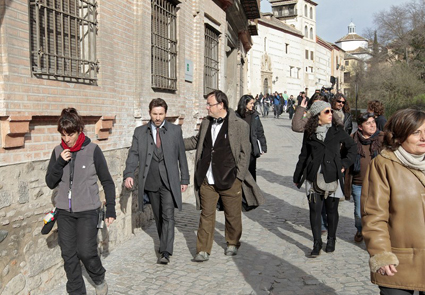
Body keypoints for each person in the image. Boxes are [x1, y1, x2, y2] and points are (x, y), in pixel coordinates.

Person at [184, 90, 264, 262]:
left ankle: (233, 242)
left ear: (221, 105)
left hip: (230, 178)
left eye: (209, 104)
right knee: (206, 214)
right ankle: (203, 250)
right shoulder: (206, 123)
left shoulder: (240, 125)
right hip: (207, 177)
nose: (207, 108)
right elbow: (197, 142)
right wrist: (175, 142)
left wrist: (239, 176)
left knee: (232, 213)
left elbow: (245, 151)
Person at [45, 108, 115, 295]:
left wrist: (111, 210)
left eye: (71, 134)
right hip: (64, 212)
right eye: (63, 134)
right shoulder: (58, 151)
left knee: (85, 251)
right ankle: (76, 292)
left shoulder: (93, 150)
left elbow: (107, 181)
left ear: (79, 131)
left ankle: (99, 278)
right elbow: (50, 182)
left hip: (87, 210)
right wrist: (59, 163)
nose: (67, 139)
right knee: (68, 256)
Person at [361, 108, 425, 295]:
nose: (423, 138)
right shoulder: (383, 165)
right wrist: (381, 254)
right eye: (416, 132)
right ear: (399, 135)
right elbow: (373, 215)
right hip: (399, 261)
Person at [123, 98, 189, 265]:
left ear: (165, 114)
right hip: (151, 180)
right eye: (154, 114)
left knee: (168, 215)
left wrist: (184, 178)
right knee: (159, 216)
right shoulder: (140, 132)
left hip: (169, 180)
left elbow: (182, 155)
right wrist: (129, 174)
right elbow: (133, 155)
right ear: (149, 113)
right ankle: (164, 242)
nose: (158, 117)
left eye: (161, 114)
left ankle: (165, 251)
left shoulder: (175, 131)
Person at [293, 101, 356, 257]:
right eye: (327, 111)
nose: (331, 114)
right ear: (317, 115)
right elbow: (304, 154)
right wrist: (297, 175)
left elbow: (352, 148)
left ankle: (331, 239)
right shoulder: (310, 132)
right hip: (312, 176)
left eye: (331, 111)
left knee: (332, 211)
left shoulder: (337, 131)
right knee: (314, 211)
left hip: (332, 176)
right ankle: (316, 244)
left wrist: (344, 164)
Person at [344, 112, 383, 243]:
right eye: (368, 123)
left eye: (373, 122)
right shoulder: (352, 139)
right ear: (360, 127)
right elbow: (343, 156)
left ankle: (375, 235)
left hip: (378, 184)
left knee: (378, 212)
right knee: (359, 213)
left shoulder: (382, 138)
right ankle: (360, 230)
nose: (372, 125)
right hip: (358, 183)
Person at [235, 94, 267, 180]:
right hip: (239, 149)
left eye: (253, 103)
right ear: (245, 104)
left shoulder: (254, 116)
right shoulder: (236, 116)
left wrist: (263, 147)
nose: (253, 105)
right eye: (251, 103)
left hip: (252, 148)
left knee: (252, 171)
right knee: (239, 171)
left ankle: (252, 191)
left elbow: (260, 131)